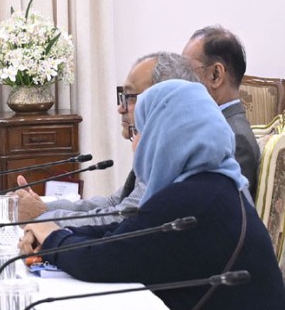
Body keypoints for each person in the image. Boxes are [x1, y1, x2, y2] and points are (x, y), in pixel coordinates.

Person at [20, 79, 285, 310]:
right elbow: (123, 233)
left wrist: (52, 238)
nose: (134, 145)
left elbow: (104, 260)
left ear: (165, 136)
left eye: (139, 132)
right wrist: (56, 232)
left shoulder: (192, 199)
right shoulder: (212, 183)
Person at [15, 52, 197, 226]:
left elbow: (121, 220)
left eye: (130, 97)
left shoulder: (173, 157)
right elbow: (114, 203)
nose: (120, 108)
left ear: (164, 100)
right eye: (122, 97)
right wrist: (45, 207)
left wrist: (43, 216)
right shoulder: (157, 149)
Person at [182, 25, 260, 198]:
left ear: (216, 75)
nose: (182, 82)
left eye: (187, 71)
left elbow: (221, 207)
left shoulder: (236, 139)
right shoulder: (216, 127)